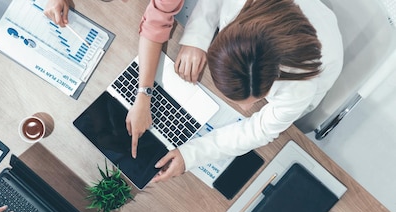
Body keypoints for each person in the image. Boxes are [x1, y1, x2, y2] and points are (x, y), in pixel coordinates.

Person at [127, 0, 343, 183]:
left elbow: (260, 131)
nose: (246, 107)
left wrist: (190, 156)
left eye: (253, 99)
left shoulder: (300, 87)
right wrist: (197, 39)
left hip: (312, 71)